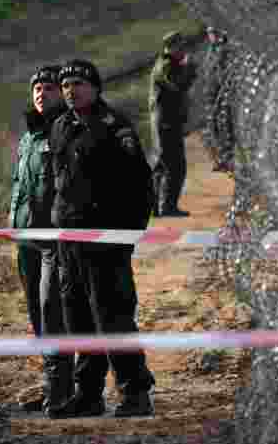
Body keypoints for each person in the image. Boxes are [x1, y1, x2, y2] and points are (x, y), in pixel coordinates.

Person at [47, 59, 156, 419]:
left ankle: (135, 392)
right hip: (69, 242)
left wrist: (127, 234)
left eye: (78, 83)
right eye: (65, 85)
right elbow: (59, 183)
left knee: (113, 316)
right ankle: (88, 394)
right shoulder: (60, 126)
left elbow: (141, 185)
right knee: (77, 317)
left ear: (95, 87)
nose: (70, 90)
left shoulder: (113, 127)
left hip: (105, 242)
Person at [8, 65, 73, 414]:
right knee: (37, 314)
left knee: (54, 314)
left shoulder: (66, 131)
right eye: (36, 88)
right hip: (26, 239)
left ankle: (63, 392)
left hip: (56, 242)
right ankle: (53, 387)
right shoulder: (28, 136)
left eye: (48, 88)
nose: (40, 93)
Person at [149, 31, 197, 217]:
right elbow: (177, 86)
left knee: (164, 165)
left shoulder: (171, 64)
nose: (183, 50)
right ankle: (167, 207)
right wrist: (190, 69)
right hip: (165, 122)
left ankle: (156, 207)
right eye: (180, 46)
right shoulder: (166, 66)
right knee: (174, 166)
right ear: (171, 47)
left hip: (168, 121)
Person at [199, 26, 233, 173]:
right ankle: (222, 158)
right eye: (209, 34)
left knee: (224, 125)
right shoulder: (211, 50)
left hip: (221, 94)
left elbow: (223, 73)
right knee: (214, 127)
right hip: (211, 94)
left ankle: (229, 157)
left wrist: (223, 91)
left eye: (213, 33)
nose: (210, 36)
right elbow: (208, 72)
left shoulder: (223, 50)